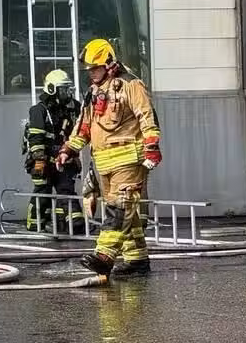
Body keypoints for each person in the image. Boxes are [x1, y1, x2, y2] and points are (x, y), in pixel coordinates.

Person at [57, 39, 162, 276]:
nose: (92, 73)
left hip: (129, 158)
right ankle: (136, 260)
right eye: (89, 69)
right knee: (127, 214)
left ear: (109, 63)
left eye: (95, 68)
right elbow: (83, 126)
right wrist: (68, 150)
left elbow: (146, 117)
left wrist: (152, 146)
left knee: (120, 207)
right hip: (104, 162)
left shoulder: (130, 84)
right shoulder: (93, 92)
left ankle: (104, 255)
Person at [23, 69, 83, 233]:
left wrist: (73, 155)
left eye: (67, 89)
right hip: (43, 160)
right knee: (43, 191)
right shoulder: (39, 110)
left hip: (64, 159)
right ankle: (35, 224)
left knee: (66, 190)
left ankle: (73, 224)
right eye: (62, 89)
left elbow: (81, 130)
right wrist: (39, 160)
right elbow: (36, 138)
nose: (66, 93)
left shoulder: (73, 109)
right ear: (51, 89)